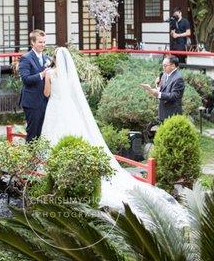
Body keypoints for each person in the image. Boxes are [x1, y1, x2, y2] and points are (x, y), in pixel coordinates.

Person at [41, 47, 188, 228]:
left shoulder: (49, 73)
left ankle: (48, 165)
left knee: (54, 133)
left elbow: (46, 94)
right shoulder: (70, 77)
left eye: (165, 65)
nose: (163, 67)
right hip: (69, 110)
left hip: (55, 108)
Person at [19, 29, 51, 142]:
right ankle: (31, 158)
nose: (43, 44)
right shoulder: (26, 58)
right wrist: (42, 75)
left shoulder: (47, 58)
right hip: (32, 101)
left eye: (44, 42)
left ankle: (39, 157)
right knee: (33, 131)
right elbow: (26, 79)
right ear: (33, 42)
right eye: (40, 42)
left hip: (45, 100)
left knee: (43, 130)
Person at [142, 56, 185, 123]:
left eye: (165, 66)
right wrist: (157, 86)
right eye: (162, 65)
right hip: (163, 111)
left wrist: (158, 94)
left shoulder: (178, 78)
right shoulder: (164, 74)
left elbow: (174, 96)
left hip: (172, 113)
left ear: (173, 66)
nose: (163, 68)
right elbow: (163, 89)